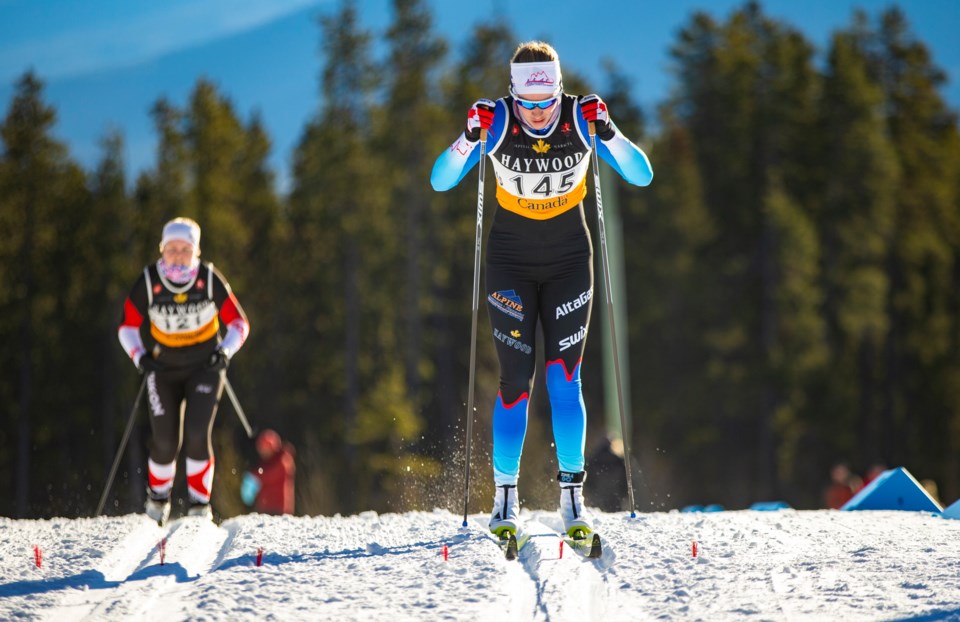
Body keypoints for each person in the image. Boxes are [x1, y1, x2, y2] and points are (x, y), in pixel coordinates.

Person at [430, 41, 653, 538]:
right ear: (513, 95)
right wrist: (468, 139)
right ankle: (504, 497)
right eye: (528, 105)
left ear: (559, 92)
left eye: (546, 103)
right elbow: (441, 181)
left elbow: (641, 174)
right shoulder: (497, 123)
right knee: (515, 383)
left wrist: (610, 131)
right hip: (510, 262)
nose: (537, 115)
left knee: (563, 379)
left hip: (570, 260)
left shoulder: (581, 119)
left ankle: (572, 497)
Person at [117, 217, 250, 524]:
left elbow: (240, 323)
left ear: (196, 251)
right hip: (162, 369)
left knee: (196, 433)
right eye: (171, 249)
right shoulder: (150, 281)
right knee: (164, 441)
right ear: (162, 249)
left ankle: (199, 507)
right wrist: (140, 356)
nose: (177, 255)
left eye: (185, 249)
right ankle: (157, 502)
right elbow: (126, 326)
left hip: (205, 366)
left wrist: (225, 351)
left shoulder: (208, 278)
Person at [241, 429, 296, 515]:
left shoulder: (283, 459)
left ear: (272, 447)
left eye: (265, 448)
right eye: (261, 449)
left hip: (280, 510)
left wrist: (254, 477)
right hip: (265, 508)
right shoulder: (265, 462)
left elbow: (270, 475)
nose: (263, 452)